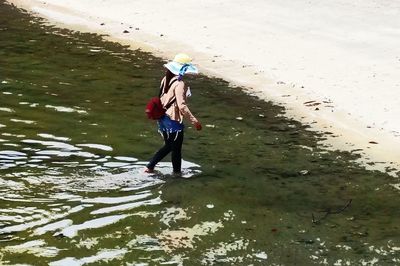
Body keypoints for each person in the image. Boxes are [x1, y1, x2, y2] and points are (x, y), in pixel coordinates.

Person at [145, 53, 202, 174]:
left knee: (175, 148)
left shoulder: (165, 79)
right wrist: (194, 121)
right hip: (173, 120)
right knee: (171, 147)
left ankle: (177, 173)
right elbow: (182, 106)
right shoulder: (179, 84)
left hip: (162, 119)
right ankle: (150, 167)